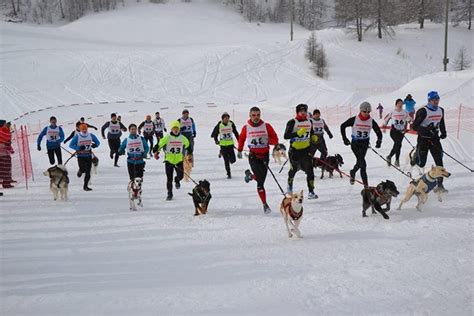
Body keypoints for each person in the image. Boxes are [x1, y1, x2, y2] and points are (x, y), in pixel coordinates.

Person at [237, 106, 279, 214]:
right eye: (254, 115)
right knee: (260, 183)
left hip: (265, 156)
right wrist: (240, 150)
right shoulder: (246, 127)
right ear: (250, 116)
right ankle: (265, 204)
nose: (256, 117)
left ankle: (250, 176)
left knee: (261, 178)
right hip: (253, 157)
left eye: (258, 115)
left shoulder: (267, 126)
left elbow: (275, 140)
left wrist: (267, 140)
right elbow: (241, 138)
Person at [410, 91, 447, 192]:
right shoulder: (423, 111)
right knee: (421, 163)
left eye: (437, 99)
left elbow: (441, 122)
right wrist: (426, 130)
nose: (436, 102)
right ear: (429, 100)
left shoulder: (441, 110)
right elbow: (414, 126)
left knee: (439, 161)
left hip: (434, 139)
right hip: (423, 139)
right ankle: (415, 156)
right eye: (433, 100)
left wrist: (443, 132)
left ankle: (440, 185)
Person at [340, 102, 383, 187]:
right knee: (363, 164)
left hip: (364, 144)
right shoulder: (354, 119)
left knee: (360, 162)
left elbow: (378, 132)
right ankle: (366, 187)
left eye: (368, 112)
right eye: (364, 111)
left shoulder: (371, 121)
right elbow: (343, 126)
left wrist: (379, 141)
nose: (366, 114)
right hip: (355, 143)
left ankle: (353, 172)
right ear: (360, 111)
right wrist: (344, 138)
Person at [284, 104, 318, 199]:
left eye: (305, 111)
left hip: (306, 150)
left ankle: (311, 191)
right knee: (293, 170)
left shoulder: (309, 121)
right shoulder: (292, 122)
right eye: (301, 111)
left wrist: (313, 137)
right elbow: (286, 135)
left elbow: (311, 132)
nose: (303, 113)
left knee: (310, 171)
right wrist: (297, 134)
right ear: (297, 112)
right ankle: (289, 186)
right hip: (294, 151)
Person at [153, 120, 190, 201]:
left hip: (179, 160)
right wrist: (155, 150)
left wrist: (188, 152)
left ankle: (177, 180)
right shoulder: (167, 137)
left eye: (177, 128)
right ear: (172, 129)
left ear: (179, 129)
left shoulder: (182, 138)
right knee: (169, 179)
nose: (176, 130)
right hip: (169, 161)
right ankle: (169, 193)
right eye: (174, 128)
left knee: (181, 176)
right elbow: (160, 144)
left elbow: (187, 145)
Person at [69, 124, 100, 191]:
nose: (84, 130)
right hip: (80, 156)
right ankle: (80, 171)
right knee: (83, 169)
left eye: (85, 129)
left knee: (88, 172)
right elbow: (71, 145)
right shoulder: (77, 136)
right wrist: (78, 148)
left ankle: (85, 186)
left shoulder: (91, 135)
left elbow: (98, 142)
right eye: (83, 129)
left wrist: (95, 145)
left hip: (88, 156)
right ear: (80, 130)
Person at [210, 112, 240, 179]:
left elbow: (235, 132)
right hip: (223, 145)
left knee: (233, 160)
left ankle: (224, 155)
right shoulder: (219, 125)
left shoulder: (231, 124)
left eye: (228, 118)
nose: (227, 120)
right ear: (222, 119)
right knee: (226, 161)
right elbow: (215, 133)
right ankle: (228, 173)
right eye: (225, 118)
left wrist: (239, 140)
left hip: (230, 145)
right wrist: (216, 140)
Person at [383, 98, 411, 167]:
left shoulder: (405, 112)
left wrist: (412, 123)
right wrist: (384, 127)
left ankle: (394, 159)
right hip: (394, 131)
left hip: (401, 132)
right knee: (398, 144)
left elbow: (409, 120)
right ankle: (392, 158)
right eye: (399, 103)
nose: (400, 105)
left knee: (398, 145)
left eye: (401, 104)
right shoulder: (392, 112)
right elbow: (386, 119)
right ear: (396, 104)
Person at [0, 120, 14, 189]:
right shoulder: (3, 131)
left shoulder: (4, 130)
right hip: (3, 153)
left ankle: (6, 182)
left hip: (5, 152)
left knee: (4, 169)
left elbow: (8, 142)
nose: (6, 125)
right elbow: (7, 140)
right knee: (6, 168)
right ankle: (6, 183)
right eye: (5, 123)